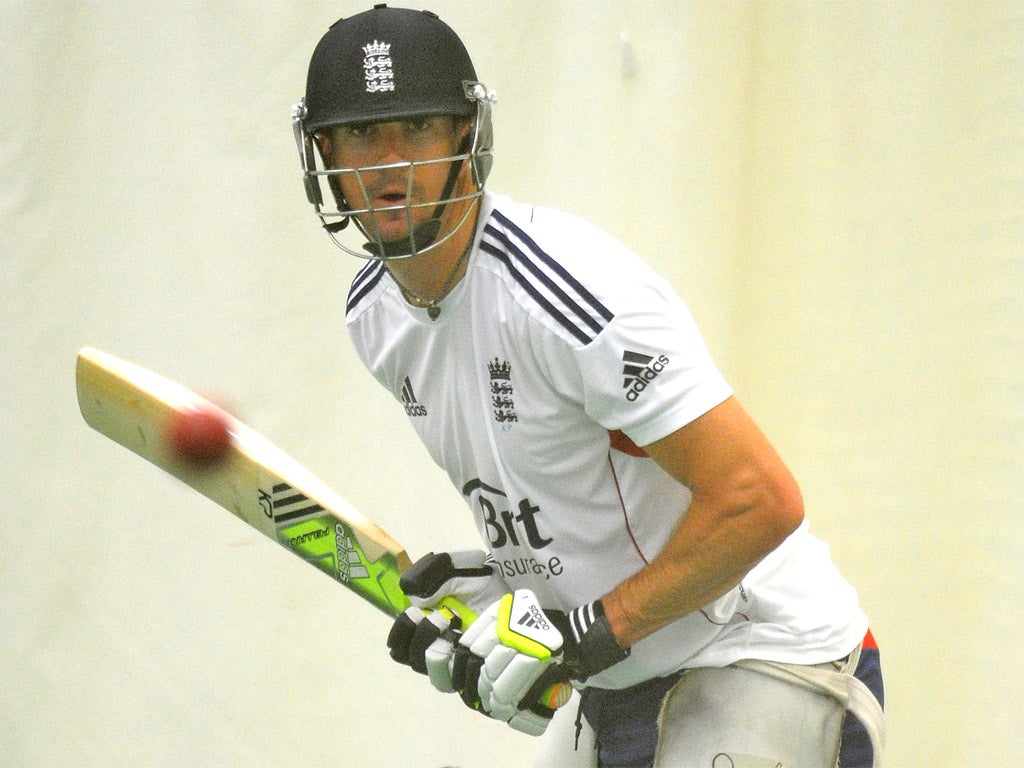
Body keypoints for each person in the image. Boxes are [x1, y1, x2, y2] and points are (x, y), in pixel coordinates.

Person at [292, 6, 885, 767]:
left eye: (417, 129)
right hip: (627, 667)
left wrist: (580, 639)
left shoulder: (567, 294)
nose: (389, 166)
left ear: (467, 138)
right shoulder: (372, 315)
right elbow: (576, 492)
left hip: (761, 648)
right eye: (364, 135)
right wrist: (498, 591)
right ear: (322, 152)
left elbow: (758, 500)